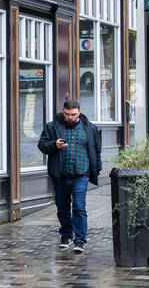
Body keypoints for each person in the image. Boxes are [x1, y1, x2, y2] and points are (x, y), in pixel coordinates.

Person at [37, 98, 102, 255]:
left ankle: (80, 239)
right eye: (67, 114)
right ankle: (66, 235)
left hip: (81, 173)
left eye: (73, 114)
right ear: (63, 111)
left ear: (79, 112)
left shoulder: (90, 128)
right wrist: (54, 145)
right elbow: (42, 145)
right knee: (62, 207)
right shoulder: (52, 127)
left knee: (79, 206)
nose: (70, 117)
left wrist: (97, 168)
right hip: (60, 174)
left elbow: (96, 150)